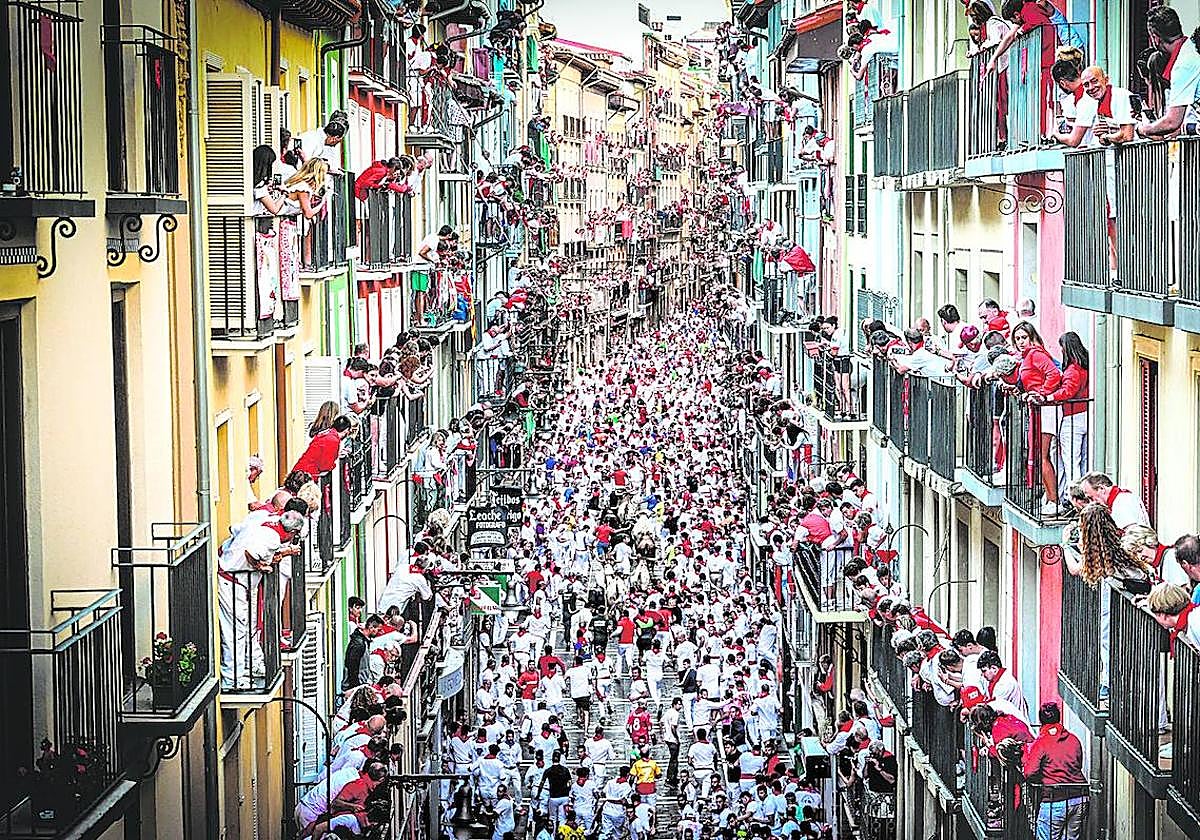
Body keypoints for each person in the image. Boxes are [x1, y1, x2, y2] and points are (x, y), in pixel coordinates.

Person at [1011, 321, 1063, 515]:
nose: (1020, 342)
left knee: (1042, 456)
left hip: (1046, 409)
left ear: (1032, 337)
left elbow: (1053, 375)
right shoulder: (1027, 356)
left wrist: (1040, 393)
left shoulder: (1035, 354)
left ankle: (1053, 500)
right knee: (1042, 455)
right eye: (1017, 338)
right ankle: (1050, 498)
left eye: (1024, 337)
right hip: (1038, 408)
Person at [1022, 702, 1089, 840]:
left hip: (1054, 800)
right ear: (1059, 718)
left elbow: (1029, 772)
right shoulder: (1074, 739)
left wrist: (1041, 778)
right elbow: (1078, 764)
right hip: (1079, 798)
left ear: (1041, 721)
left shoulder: (1041, 743)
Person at [1136, 7, 1200, 139]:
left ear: (1155, 38)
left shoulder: (1183, 64)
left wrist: (1143, 129)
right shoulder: (1192, 51)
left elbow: (1172, 122)